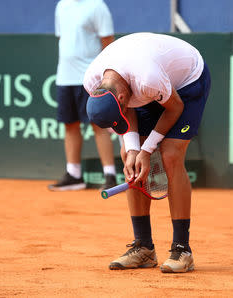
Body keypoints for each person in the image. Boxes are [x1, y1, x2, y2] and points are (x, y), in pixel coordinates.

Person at [83, 32, 211, 273]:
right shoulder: (93, 81)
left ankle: (182, 249)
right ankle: (143, 247)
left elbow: (174, 108)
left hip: (187, 83)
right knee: (128, 158)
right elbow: (127, 111)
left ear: (121, 97)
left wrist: (148, 149)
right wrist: (133, 150)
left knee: (171, 155)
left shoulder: (147, 78)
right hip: (144, 85)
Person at [48, 0, 117, 191]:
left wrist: (105, 77)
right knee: (70, 124)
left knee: (99, 125)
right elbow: (64, 39)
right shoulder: (61, 6)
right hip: (64, 76)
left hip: (90, 78)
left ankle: (110, 175)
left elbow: (108, 44)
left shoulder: (97, 6)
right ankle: (74, 175)